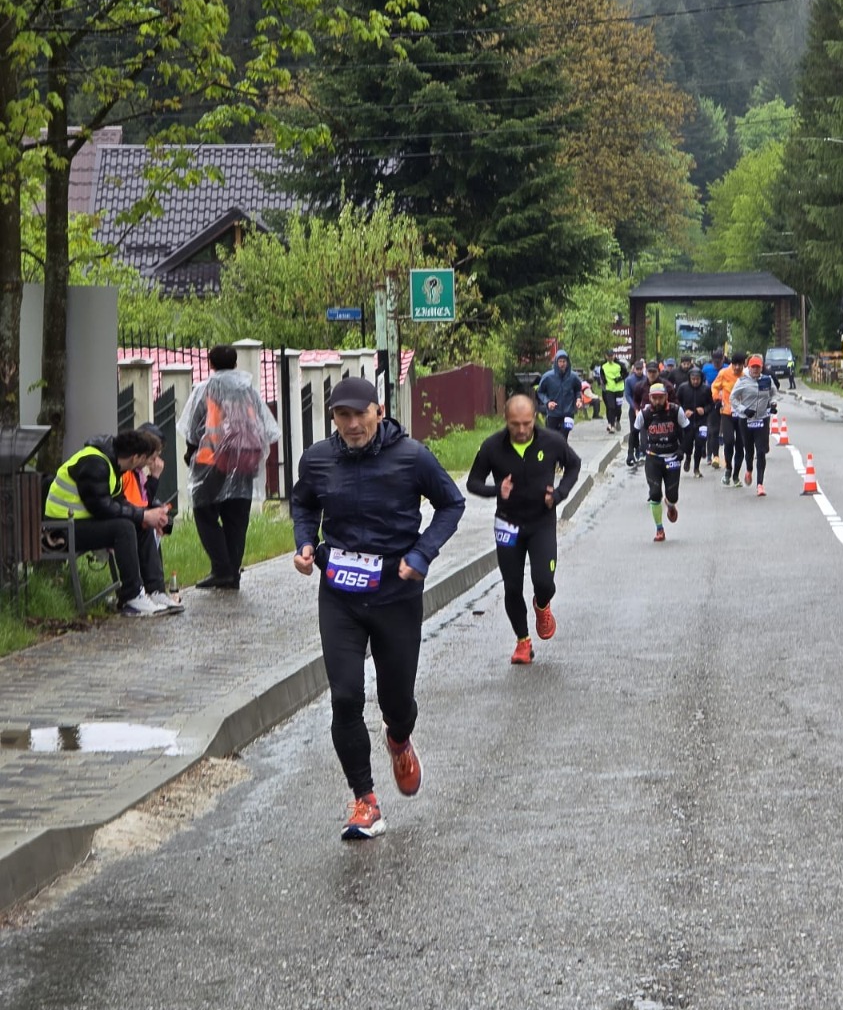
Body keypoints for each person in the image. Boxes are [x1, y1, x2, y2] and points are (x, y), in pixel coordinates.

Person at [292, 375, 465, 841]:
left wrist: (421, 554)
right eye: (341, 416)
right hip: (341, 593)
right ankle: (364, 800)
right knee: (345, 696)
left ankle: (399, 737)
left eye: (359, 414)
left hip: (396, 591)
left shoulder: (412, 456)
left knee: (396, 702)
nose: (351, 425)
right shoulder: (318, 460)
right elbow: (303, 504)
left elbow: (451, 504)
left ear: (379, 411)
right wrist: (305, 543)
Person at [466, 392, 581, 665]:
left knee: (544, 582)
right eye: (515, 424)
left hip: (541, 521)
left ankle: (542, 605)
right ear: (505, 420)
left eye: (527, 423)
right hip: (508, 523)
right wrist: (497, 490)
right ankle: (522, 641)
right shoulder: (492, 446)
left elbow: (574, 465)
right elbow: (473, 482)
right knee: (512, 586)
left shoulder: (551, 441)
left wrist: (560, 493)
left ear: (535, 419)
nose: (521, 430)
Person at [44, 427, 174, 616]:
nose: (146, 465)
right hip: (59, 531)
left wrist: (148, 517)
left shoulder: (113, 465)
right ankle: (132, 597)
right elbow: (101, 508)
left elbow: (119, 503)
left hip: (77, 525)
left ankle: (155, 591)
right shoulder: (95, 463)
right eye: (146, 460)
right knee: (124, 527)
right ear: (135, 458)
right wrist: (143, 515)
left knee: (140, 524)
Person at [179, 345, 280, 590]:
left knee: (205, 513)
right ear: (236, 363)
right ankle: (232, 572)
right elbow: (268, 429)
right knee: (237, 518)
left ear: (210, 363)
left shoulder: (205, 389)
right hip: (244, 462)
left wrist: (191, 453)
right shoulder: (250, 391)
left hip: (210, 462)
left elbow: (193, 428)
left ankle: (222, 569)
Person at [118, 422, 184, 612]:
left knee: (154, 526)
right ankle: (147, 590)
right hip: (120, 523)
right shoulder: (128, 473)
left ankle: (155, 589)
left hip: (127, 517)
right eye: (153, 455)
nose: (155, 460)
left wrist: (157, 512)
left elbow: (143, 500)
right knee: (146, 526)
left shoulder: (137, 473)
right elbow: (138, 505)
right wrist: (154, 478)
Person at [634, 382, 690, 541]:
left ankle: (670, 504)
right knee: (654, 493)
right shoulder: (644, 414)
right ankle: (659, 529)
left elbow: (688, 430)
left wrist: (682, 450)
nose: (657, 401)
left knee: (672, 496)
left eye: (660, 398)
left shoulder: (675, 411)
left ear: (666, 397)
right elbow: (634, 433)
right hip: (653, 458)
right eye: (654, 398)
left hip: (672, 457)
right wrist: (634, 451)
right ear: (650, 398)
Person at [730, 354, 780, 495]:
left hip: (762, 419)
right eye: (753, 367)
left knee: (761, 451)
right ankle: (749, 469)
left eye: (758, 367)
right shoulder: (742, 381)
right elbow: (732, 398)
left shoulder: (767, 380)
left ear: (761, 367)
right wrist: (744, 410)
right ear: (749, 367)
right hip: (746, 420)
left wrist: (773, 404)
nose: (756, 370)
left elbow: (774, 393)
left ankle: (760, 485)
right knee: (749, 450)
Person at [710, 352, 746, 484]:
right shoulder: (724, 373)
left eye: (740, 365)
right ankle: (728, 469)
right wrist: (717, 399)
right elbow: (714, 387)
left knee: (740, 445)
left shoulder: (746, 375)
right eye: (734, 364)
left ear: (744, 364)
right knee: (729, 441)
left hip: (742, 414)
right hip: (727, 412)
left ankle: (736, 475)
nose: (737, 367)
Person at [536, 349, 584, 442]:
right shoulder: (548, 377)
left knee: (563, 437)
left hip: (568, 413)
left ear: (568, 362)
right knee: (552, 438)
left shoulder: (573, 377)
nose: (562, 364)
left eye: (564, 361)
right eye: (560, 361)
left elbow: (578, 389)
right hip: (553, 413)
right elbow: (540, 392)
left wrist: (578, 399)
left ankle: (561, 455)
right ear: (556, 362)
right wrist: (548, 402)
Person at [676, 365, 714, 477]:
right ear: (689, 378)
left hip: (701, 421)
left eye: (697, 379)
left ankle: (696, 468)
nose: (695, 381)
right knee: (687, 444)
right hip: (687, 421)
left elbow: (711, 404)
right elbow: (676, 403)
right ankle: (688, 457)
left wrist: (705, 410)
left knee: (700, 443)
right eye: (693, 379)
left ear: (701, 379)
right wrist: (683, 411)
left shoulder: (706, 389)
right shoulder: (683, 388)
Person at [623, 359, 646, 467]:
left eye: (641, 369)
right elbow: (627, 395)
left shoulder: (646, 380)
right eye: (637, 369)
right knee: (634, 431)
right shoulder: (629, 380)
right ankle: (632, 451)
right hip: (634, 410)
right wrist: (635, 408)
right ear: (634, 369)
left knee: (644, 431)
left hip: (644, 409)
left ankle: (642, 450)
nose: (639, 371)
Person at [599, 349, 627, 435]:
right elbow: (602, 374)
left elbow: (626, 373)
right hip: (609, 389)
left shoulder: (620, 364)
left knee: (618, 408)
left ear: (614, 356)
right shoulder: (603, 365)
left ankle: (617, 420)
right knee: (611, 407)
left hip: (619, 389)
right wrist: (604, 381)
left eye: (612, 356)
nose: (610, 358)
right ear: (606, 356)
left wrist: (619, 378)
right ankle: (611, 425)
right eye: (608, 356)